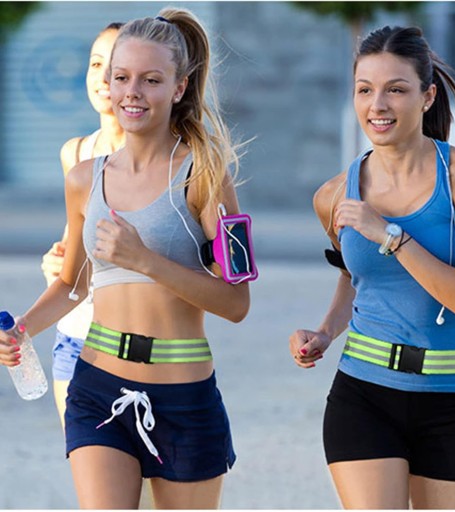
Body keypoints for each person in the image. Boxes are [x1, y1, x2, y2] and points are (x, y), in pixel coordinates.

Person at [0, 7, 249, 509]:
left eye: (150, 80)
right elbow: (73, 284)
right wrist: (22, 328)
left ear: (178, 88)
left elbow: (237, 301)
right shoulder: (83, 178)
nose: (132, 92)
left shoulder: (206, 175)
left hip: (184, 397)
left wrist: (146, 260)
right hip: (97, 385)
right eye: (121, 77)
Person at [289, 26, 455, 510]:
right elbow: (353, 276)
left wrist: (390, 235)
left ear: (427, 96)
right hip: (363, 393)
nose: (377, 105)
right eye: (365, 90)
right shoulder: (333, 196)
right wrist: (325, 331)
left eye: (396, 90)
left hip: (454, 399)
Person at [41, 21, 125, 429]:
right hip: (75, 338)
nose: (103, 77)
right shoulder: (75, 153)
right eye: (95, 64)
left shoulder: (176, 161)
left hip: (140, 345)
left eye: (117, 67)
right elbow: (74, 248)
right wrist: (56, 264)